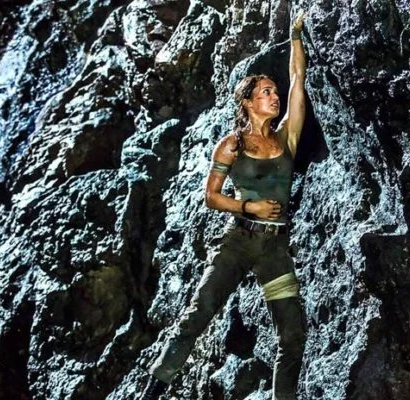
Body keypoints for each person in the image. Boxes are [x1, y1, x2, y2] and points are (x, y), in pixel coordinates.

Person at [139, 10, 307, 400]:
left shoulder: (287, 137)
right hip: (239, 241)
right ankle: (155, 386)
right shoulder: (232, 144)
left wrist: (296, 35)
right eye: (265, 92)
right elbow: (210, 196)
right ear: (247, 102)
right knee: (199, 313)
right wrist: (249, 209)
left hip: (275, 248)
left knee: (292, 333)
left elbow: (298, 78)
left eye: (274, 92)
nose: (275, 96)